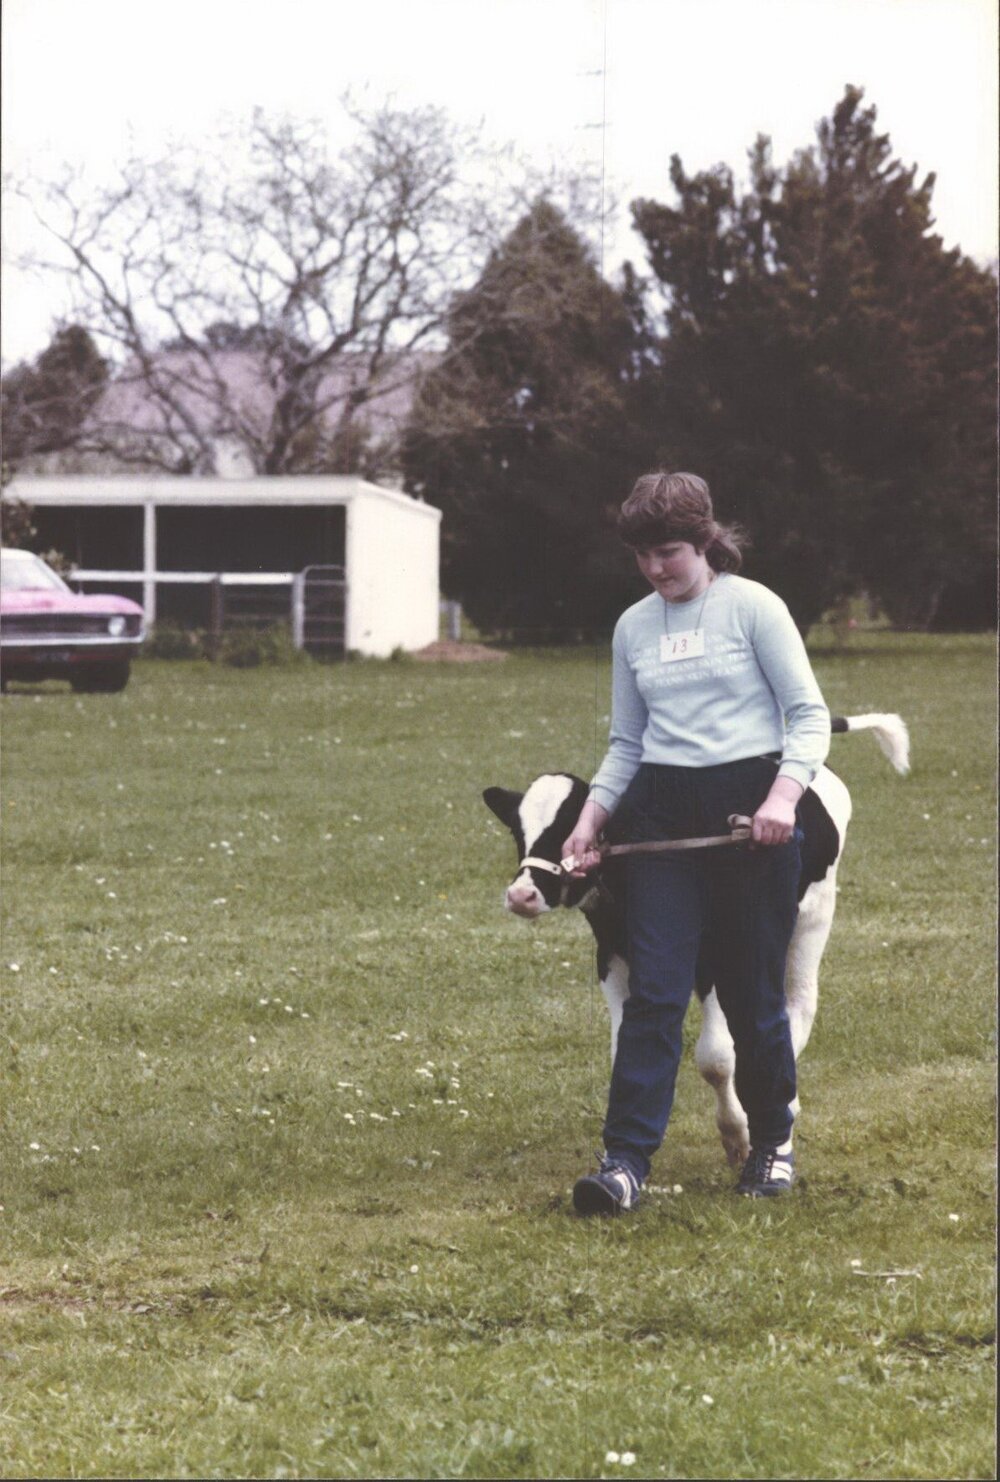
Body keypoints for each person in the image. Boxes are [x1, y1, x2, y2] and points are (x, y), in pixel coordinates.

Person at [562, 471, 831, 1214]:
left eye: (671, 552)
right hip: (661, 816)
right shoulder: (632, 627)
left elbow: (808, 717)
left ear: (706, 540)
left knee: (751, 994)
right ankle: (624, 1163)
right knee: (653, 993)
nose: (657, 569)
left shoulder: (753, 607)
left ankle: (773, 1142)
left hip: (751, 814)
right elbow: (627, 741)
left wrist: (782, 798)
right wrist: (590, 823)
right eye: (643, 555)